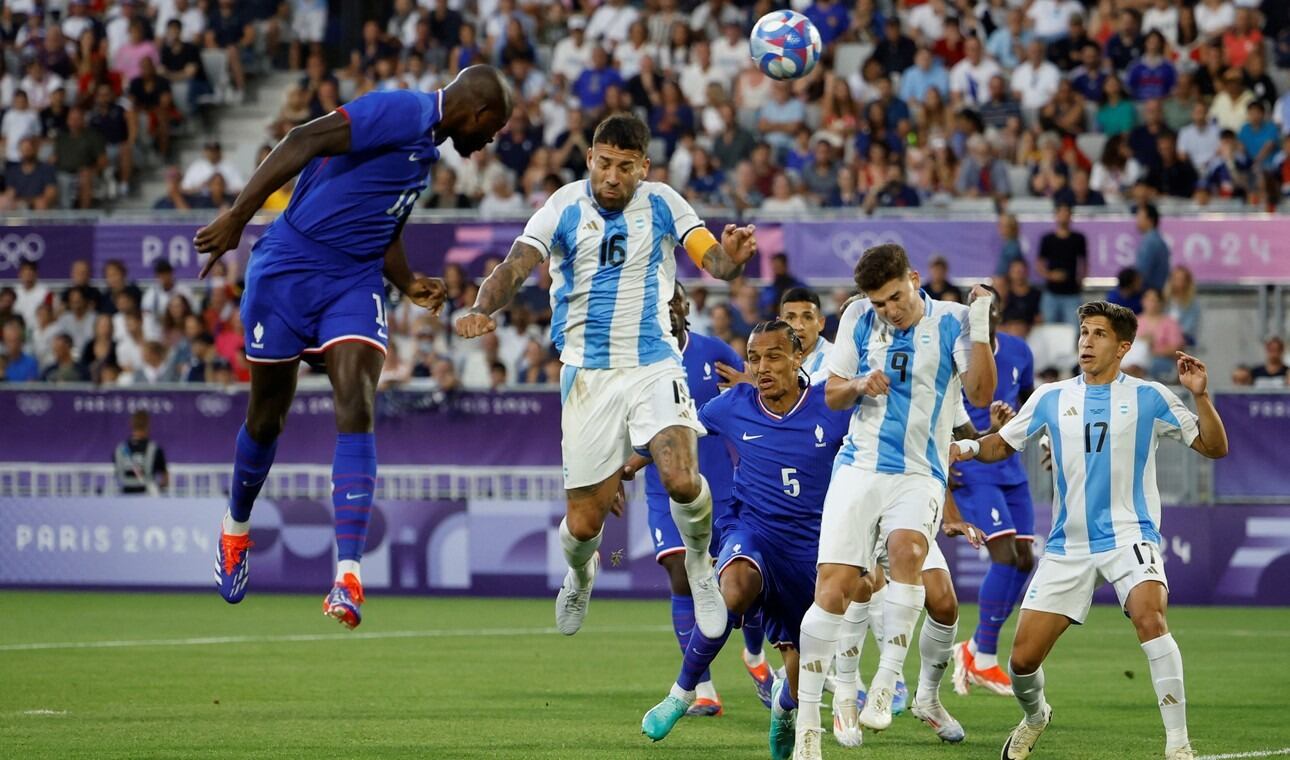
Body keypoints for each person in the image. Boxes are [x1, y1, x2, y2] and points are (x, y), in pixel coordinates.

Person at [193, 65, 513, 627]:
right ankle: (236, 529)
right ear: (479, 112)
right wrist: (238, 217)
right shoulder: (400, 111)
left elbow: (381, 225)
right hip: (289, 266)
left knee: (357, 403)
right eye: (492, 130)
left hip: (353, 279)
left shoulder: (426, 151)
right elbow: (302, 138)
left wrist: (406, 279)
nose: (489, 142)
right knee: (267, 419)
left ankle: (347, 576)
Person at [453, 113, 758, 641]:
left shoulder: (662, 202)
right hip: (588, 375)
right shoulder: (563, 206)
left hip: (652, 361)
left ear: (643, 167)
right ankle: (580, 573)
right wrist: (484, 306)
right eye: (603, 163)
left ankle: (702, 565)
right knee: (584, 526)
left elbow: (711, 257)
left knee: (683, 478)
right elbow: (516, 264)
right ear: (590, 158)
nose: (612, 177)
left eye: (624, 167)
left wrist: (730, 262)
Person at [952, 301, 1228, 760]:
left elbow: (1214, 447)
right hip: (1068, 545)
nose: (1085, 341)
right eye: (1083, 332)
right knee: (1021, 662)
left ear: (1122, 346)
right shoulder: (1050, 397)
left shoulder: (1151, 396)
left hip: (1129, 534)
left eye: (1098, 334)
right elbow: (1002, 443)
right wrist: (962, 446)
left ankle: (1179, 745)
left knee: (1149, 614)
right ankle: (1036, 715)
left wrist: (1200, 394)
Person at [794, 244, 996, 756]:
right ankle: (817, 721)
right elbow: (833, 393)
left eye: (895, 298)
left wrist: (980, 323)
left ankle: (884, 684)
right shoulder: (859, 318)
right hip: (859, 467)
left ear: (913, 279)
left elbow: (977, 391)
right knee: (835, 589)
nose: (889, 310)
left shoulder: (951, 321)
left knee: (909, 553)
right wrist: (861, 382)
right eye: (879, 303)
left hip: (919, 472)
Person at [635, 320, 850, 756]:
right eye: (754, 358)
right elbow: (675, 430)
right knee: (731, 589)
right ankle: (681, 694)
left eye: (773, 356)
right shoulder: (733, 404)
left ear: (799, 357)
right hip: (749, 527)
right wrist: (620, 469)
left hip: (811, 549)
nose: (762, 366)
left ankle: (784, 710)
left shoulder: (831, 403)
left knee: (801, 665)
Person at [641, 281, 764, 718]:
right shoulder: (637, 359)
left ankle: (754, 656)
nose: (669, 308)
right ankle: (703, 689)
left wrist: (749, 381)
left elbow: (761, 396)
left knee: (742, 586)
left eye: (673, 300)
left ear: (684, 305)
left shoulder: (713, 351)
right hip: (663, 488)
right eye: (659, 303)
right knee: (681, 576)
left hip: (724, 487)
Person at [951, 287, 1037, 696]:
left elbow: (1029, 403)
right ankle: (984, 654)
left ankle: (972, 648)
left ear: (998, 314)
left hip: (1011, 465)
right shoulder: (954, 353)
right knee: (1003, 555)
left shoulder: (1020, 351)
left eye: (990, 310)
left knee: (1024, 559)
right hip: (973, 466)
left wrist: (1023, 424)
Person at [1036, 202, 1088, 325]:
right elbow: (1039, 263)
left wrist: (1081, 280)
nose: (1064, 216)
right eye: (1061, 213)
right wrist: (1050, 275)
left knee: (1074, 330)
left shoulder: (1078, 238)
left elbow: (1084, 262)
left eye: (1066, 213)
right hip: (1051, 293)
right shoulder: (1047, 239)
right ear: (1056, 215)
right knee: (1048, 328)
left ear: (1070, 216)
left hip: (1072, 293)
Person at [777, 287, 831, 383]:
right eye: (790, 318)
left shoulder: (834, 358)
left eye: (807, 318)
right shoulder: (771, 358)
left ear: (821, 323)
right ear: (779, 324)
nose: (799, 326)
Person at [114, 411, 170, 495]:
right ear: (148, 426)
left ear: (131, 425)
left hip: (124, 499)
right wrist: (158, 490)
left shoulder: (120, 449)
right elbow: (165, 480)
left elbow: (118, 473)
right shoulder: (154, 449)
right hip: (147, 500)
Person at [1135, 203, 1170, 294]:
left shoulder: (1150, 242)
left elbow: (1142, 273)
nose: (1137, 220)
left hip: (1149, 293)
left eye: (1139, 217)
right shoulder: (1157, 240)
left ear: (1150, 220)